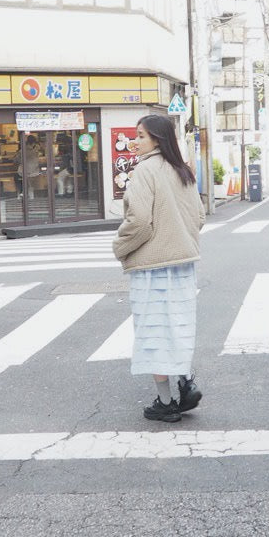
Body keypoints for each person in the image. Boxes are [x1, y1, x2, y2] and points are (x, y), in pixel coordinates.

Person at [113, 114, 205, 424]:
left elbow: (138, 221)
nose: (135, 142)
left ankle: (165, 403)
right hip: (182, 265)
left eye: (140, 136)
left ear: (157, 139)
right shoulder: (183, 172)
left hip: (152, 267)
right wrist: (183, 240)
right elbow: (199, 218)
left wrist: (120, 247)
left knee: (153, 333)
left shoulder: (145, 171)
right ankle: (185, 380)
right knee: (177, 327)